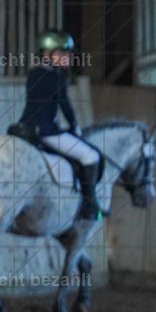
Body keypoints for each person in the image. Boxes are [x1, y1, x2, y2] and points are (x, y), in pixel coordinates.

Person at [19, 29, 106, 220]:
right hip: (47, 132)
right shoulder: (58, 78)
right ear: (46, 54)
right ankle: (89, 205)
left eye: (67, 53)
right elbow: (65, 106)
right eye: (62, 53)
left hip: (25, 128)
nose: (67, 57)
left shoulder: (33, 74)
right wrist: (75, 126)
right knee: (90, 156)